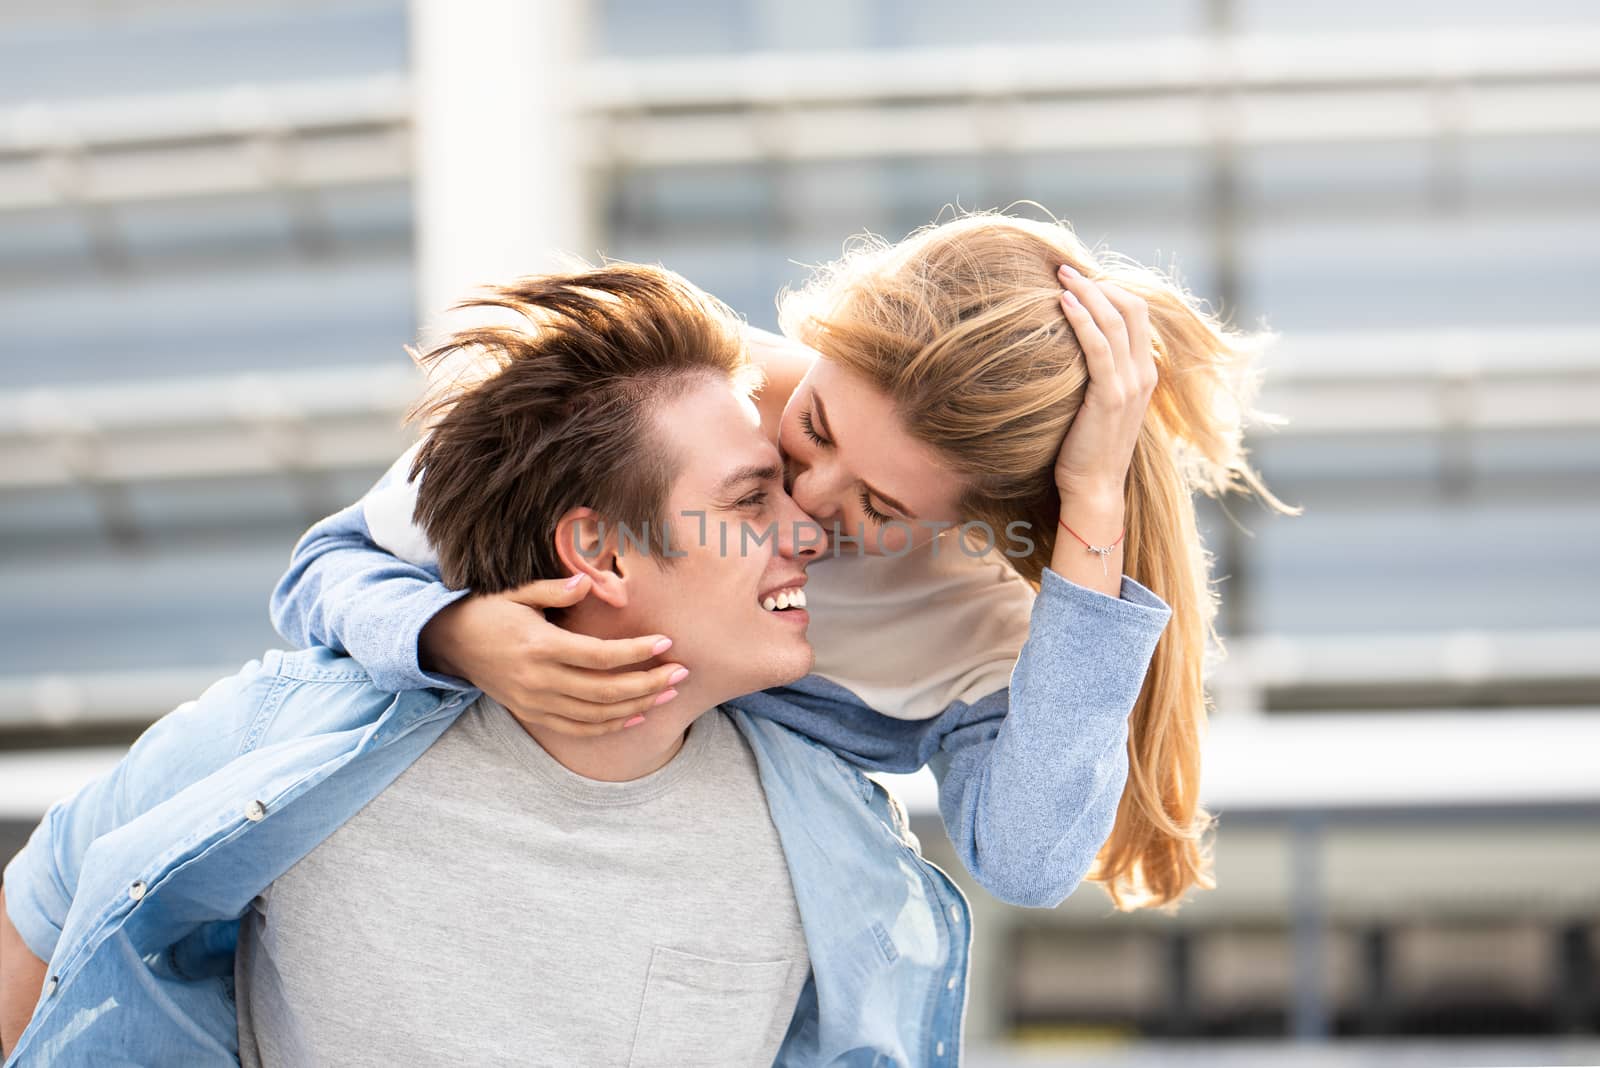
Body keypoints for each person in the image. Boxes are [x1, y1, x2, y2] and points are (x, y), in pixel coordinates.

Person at [0, 265, 972, 1066]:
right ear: (600, 552)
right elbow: (38, 918)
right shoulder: (287, 746)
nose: (810, 530)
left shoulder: (836, 836)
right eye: (752, 499)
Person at [270, 210, 1299, 913]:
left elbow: (1028, 862)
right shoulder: (663, 396)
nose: (806, 506)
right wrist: (453, 635)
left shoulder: (986, 621)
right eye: (814, 425)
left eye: (880, 505)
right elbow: (323, 568)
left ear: (974, 517)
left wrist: (1091, 504)